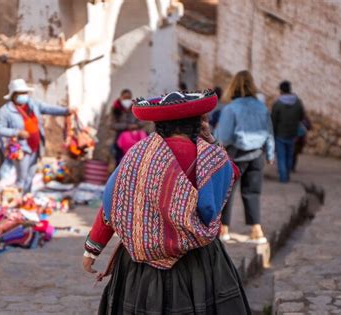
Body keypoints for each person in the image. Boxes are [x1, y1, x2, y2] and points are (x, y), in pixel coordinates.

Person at [83, 91, 251, 314]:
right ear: (197, 123)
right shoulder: (210, 157)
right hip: (197, 262)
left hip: (140, 265)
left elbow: (112, 202)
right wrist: (212, 142)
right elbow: (229, 178)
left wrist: (92, 249)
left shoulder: (137, 155)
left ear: (159, 124)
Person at [215, 70, 275, 244]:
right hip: (256, 155)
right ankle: (257, 231)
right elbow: (269, 133)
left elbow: (224, 137)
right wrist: (270, 154)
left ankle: (223, 230)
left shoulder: (231, 108)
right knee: (252, 192)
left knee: (226, 193)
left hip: (235, 155)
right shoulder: (262, 107)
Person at [0, 79, 74, 192]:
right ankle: (17, 200)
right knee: (21, 179)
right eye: (20, 93)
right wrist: (17, 132)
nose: (23, 95)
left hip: (36, 146)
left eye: (25, 93)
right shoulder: (5, 111)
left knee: (30, 176)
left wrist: (66, 111)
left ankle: (27, 198)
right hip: (21, 149)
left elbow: (48, 108)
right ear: (13, 95)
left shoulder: (33, 104)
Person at [271, 81, 306, 182]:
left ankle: (283, 177)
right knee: (289, 155)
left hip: (280, 134)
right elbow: (302, 117)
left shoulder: (277, 104)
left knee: (281, 156)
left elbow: (273, 120)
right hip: (293, 133)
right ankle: (287, 173)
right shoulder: (298, 102)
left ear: (281, 90)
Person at [111, 89, 144, 165]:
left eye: (128, 98)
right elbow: (112, 124)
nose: (127, 100)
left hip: (134, 136)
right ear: (121, 98)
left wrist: (137, 125)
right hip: (120, 136)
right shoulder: (116, 109)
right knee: (119, 158)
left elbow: (142, 120)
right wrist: (126, 126)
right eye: (125, 98)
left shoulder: (135, 107)